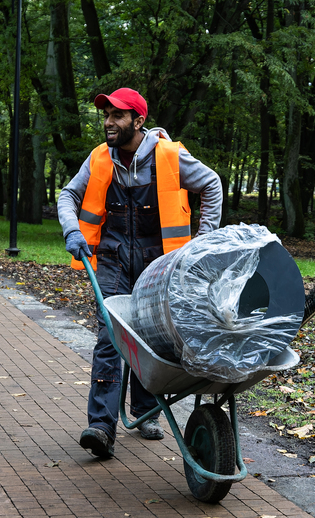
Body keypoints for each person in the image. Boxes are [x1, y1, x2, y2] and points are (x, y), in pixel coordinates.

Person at [58, 88, 222, 459]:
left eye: (117, 115)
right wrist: (72, 230)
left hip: (158, 263)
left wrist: (204, 241)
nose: (109, 122)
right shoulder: (100, 158)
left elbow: (211, 185)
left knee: (151, 336)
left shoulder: (169, 155)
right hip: (112, 260)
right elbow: (68, 195)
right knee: (110, 337)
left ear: (138, 120)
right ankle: (101, 426)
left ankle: (145, 411)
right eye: (106, 115)